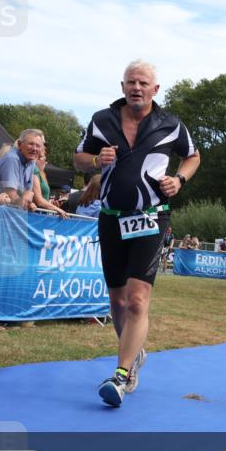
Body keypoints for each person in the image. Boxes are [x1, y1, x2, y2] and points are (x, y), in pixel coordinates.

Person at [74, 60, 200, 407]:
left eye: (143, 83)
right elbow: (78, 159)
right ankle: (133, 355)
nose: (136, 88)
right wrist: (97, 161)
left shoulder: (171, 124)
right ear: (122, 86)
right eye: (131, 82)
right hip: (112, 217)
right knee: (116, 300)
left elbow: (193, 156)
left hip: (151, 217)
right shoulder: (103, 120)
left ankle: (121, 374)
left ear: (155, 89)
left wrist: (180, 179)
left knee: (137, 299)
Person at [0, 129, 67, 216]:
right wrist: (26, 202)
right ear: (19, 144)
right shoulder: (12, 159)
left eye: (38, 145)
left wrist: (29, 202)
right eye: (31, 144)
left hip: (7, 213)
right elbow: (11, 195)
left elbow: (27, 192)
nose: (34, 149)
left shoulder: (31, 161)